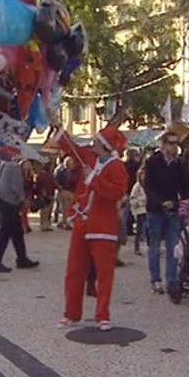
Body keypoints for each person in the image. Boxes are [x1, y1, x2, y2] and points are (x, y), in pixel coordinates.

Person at [53, 126, 128, 331]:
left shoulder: (117, 167)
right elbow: (70, 147)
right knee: (74, 271)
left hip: (103, 226)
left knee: (104, 274)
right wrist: (55, 125)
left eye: (96, 141)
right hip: (82, 222)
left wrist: (94, 179)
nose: (91, 143)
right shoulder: (89, 158)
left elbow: (117, 193)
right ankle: (71, 314)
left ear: (104, 145)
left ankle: (102, 315)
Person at [144, 132, 185, 295]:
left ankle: (172, 279)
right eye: (171, 143)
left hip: (173, 209)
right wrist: (160, 202)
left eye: (176, 143)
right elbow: (148, 186)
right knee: (154, 245)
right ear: (163, 144)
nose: (174, 147)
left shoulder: (178, 164)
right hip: (156, 210)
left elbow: (184, 184)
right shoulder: (153, 162)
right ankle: (156, 280)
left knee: (172, 246)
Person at [0, 156, 40, 273]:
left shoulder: (4, 165)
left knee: (17, 232)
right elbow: (16, 186)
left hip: (3, 200)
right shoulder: (14, 167)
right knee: (4, 233)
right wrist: (23, 200)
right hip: (10, 202)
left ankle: (22, 258)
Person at [55, 157, 78, 229]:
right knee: (65, 208)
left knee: (70, 207)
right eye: (70, 162)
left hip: (72, 191)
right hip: (64, 190)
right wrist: (59, 187)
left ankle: (67, 221)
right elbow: (56, 179)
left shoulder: (74, 172)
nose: (71, 164)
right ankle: (65, 222)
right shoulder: (62, 171)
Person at [129, 168, 148, 256]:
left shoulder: (148, 185)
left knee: (148, 228)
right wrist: (141, 201)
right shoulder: (137, 187)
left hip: (147, 208)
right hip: (140, 209)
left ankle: (149, 245)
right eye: (142, 175)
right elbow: (132, 199)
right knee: (139, 228)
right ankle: (136, 247)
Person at [35, 161, 56, 231]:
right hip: (43, 194)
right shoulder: (41, 175)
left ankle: (47, 224)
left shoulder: (50, 175)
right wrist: (41, 193)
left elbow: (53, 184)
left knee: (48, 210)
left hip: (50, 194)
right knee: (44, 210)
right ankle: (43, 224)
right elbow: (39, 185)